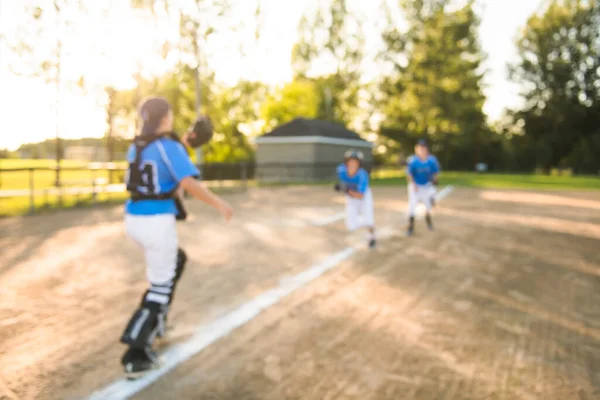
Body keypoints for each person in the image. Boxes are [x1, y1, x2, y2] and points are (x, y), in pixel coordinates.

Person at [120, 96, 233, 378]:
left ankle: (156, 321)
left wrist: (186, 143)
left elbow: (161, 167)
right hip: (156, 223)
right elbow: (186, 182)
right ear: (165, 119)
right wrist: (219, 203)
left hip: (134, 219)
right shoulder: (167, 146)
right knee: (160, 286)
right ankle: (136, 354)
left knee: (176, 262)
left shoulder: (136, 147)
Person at [335, 150, 376, 248]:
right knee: (351, 226)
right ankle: (364, 219)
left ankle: (371, 236)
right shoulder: (341, 170)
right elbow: (343, 182)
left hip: (364, 197)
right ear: (346, 163)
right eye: (350, 162)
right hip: (351, 198)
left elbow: (360, 195)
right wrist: (341, 187)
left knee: (369, 221)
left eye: (355, 162)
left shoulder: (362, 175)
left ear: (359, 164)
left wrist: (347, 190)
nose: (352, 164)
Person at [405, 139, 440, 236]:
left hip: (426, 186)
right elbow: (409, 174)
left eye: (423, 148)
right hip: (415, 186)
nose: (421, 150)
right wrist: (414, 184)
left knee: (427, 206)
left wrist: (434, 180)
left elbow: (435, 173)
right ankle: (410, 227)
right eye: (419, 148)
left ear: (427, 149)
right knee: (412, 206)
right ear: (416, 149)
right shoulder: (412, 160)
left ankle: (429, 222)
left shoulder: (432, 160)